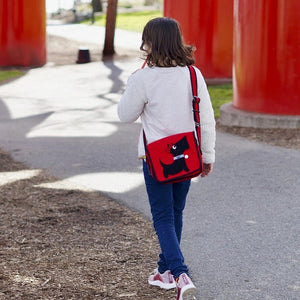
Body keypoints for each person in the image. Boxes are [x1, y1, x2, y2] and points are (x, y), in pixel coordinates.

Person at [118, 17, 216, 300]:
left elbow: (125, 115)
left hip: (157, 159)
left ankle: (179, 273)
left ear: (149, 43)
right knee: (174, 214)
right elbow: (206, 119)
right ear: (176, 40)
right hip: (187, 155)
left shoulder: (143, 78)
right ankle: (163, 271)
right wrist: (207, 156)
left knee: (162, 217)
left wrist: (133, 82)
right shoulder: (192, 74)